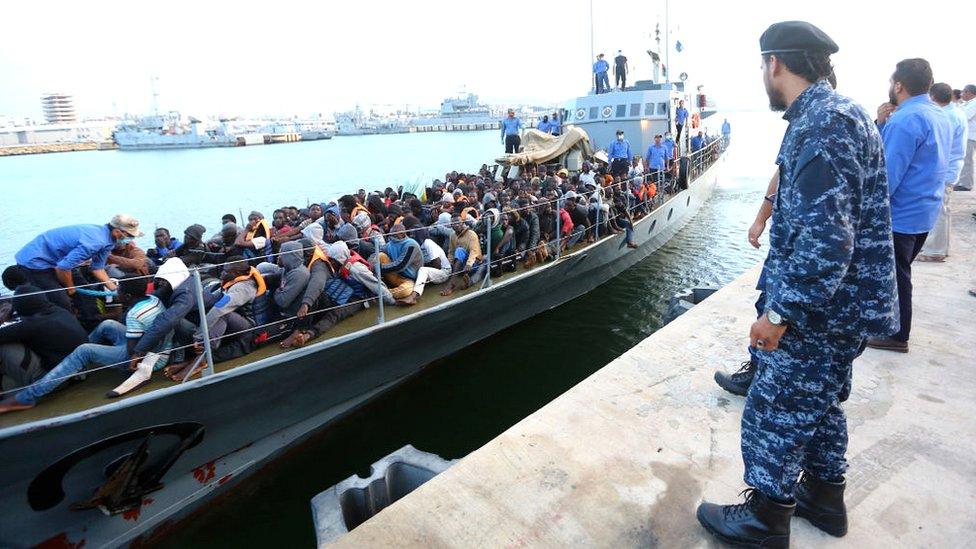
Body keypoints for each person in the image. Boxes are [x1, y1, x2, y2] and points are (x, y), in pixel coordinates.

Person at [697, 21, 898, 547]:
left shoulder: (824, 125)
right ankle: (824, 501)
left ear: (775, 64)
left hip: (819, 311)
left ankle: (766, 518)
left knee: (775, 409)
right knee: (822, 406)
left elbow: (828, 243)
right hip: (842, 308)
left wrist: (779, 315)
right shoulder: (834, 115)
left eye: (762, 66)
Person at [868, 59, 951, 353]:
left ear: (898, 85)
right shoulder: (938, 114)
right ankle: (891, 328)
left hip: (901, 213)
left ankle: (897, 335)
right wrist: (879, 125)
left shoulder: (905, 120)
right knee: (900, 271)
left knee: (897, 276)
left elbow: (886, 176)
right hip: (925, 209)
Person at [0, 276, 173, 413]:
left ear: (127, 296)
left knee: (84, 350)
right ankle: (79, 361)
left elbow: (131, 353)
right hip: (154, 347)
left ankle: (27, 398)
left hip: (145, 360)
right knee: (107, 325)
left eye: (118, 289)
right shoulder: (151, 299)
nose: (115, 291)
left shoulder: (134, 315)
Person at [13, 214, 144, 310]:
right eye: (130, 236)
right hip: (36, 261)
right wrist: (70, 289)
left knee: (87, 296)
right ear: (117, 232)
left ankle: (92, 322)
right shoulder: (95, 242)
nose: (132, 239)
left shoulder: (109, 241)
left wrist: (115, 289)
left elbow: (97, 268)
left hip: (61, 261)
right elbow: (62, 269)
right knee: (62, 301)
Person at [0, 285, 88, 394]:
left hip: (53, 382)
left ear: (19, 306)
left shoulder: (31, 325)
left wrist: (5, 317)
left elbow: (4, 333)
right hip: (81, 370)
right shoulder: (59, 311)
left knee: (4, 348)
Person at [917, 82, 968, 262]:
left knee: (939, 210)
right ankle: (940, 248)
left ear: (932, 97)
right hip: (951, 167)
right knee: (943, 209)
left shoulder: (946, 116)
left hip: (945, 168)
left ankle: (934, 250)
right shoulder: (954, 113)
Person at [956, 84, 976, 191]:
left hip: (971, 136)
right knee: (964, 159)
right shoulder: (966, 103)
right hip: (966, 135)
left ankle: (966, 184)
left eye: (964, 92)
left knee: (968, 160)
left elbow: (965, 116)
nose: (961, 94)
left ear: (969, 93)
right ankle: (962, 181)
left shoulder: (974, 103)